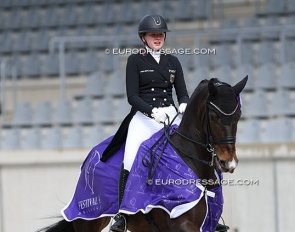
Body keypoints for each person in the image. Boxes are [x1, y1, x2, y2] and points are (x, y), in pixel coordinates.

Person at [110, 14, 229, 232]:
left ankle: (213, 215)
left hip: (171, 116)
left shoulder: (173, 61)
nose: (158, 38)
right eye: (153, 34)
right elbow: (132, 96)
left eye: (160, 34)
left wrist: (183, 105)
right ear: (143, 37)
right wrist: (151, 111)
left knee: (202, 154)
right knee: (130, 157)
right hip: (145, 118)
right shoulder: (135, 61)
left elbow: (182, 92)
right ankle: (123, 215)